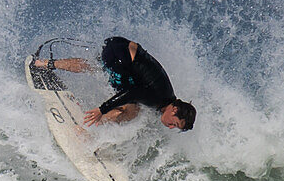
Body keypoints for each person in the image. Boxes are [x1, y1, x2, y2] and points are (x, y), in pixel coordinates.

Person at [36, 36, 196, 131]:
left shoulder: (166, 100)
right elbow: (131, 93)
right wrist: (102, 109)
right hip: (119, 55)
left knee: (96, 68)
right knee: (130, 110)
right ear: (174, 109)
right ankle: (84, 128)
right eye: (174, 123)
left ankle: (43, 64)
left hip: (119, 47)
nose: (170, 127)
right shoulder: (159, 97)